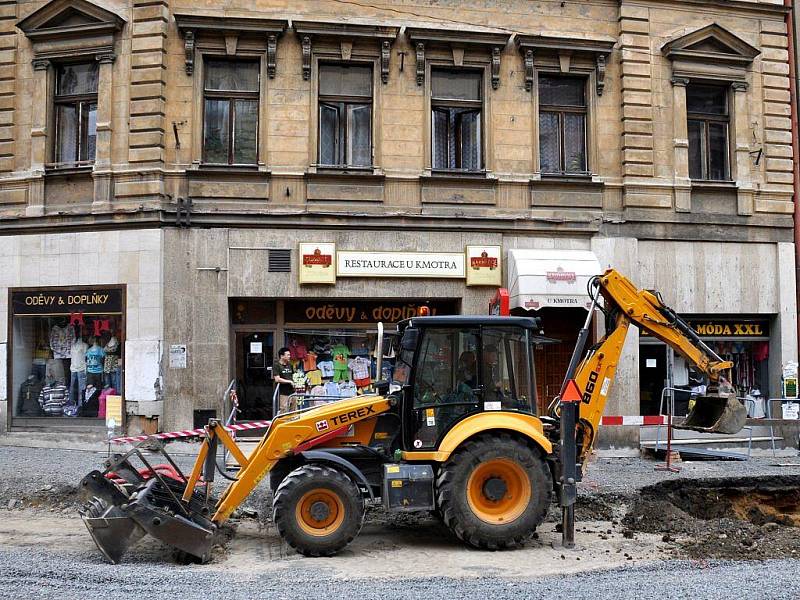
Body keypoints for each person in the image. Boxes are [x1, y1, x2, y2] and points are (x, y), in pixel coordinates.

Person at [273, 347, 296, 414]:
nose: (289, 356)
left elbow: (293, 376)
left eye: (289, 355)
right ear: (282, 356)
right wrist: (289, 381)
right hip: (283, 393)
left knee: (294, 412)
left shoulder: (290, 365)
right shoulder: (277, 365)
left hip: (293, 392)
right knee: (284, 411)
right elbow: (277, 379)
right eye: (288, 355)